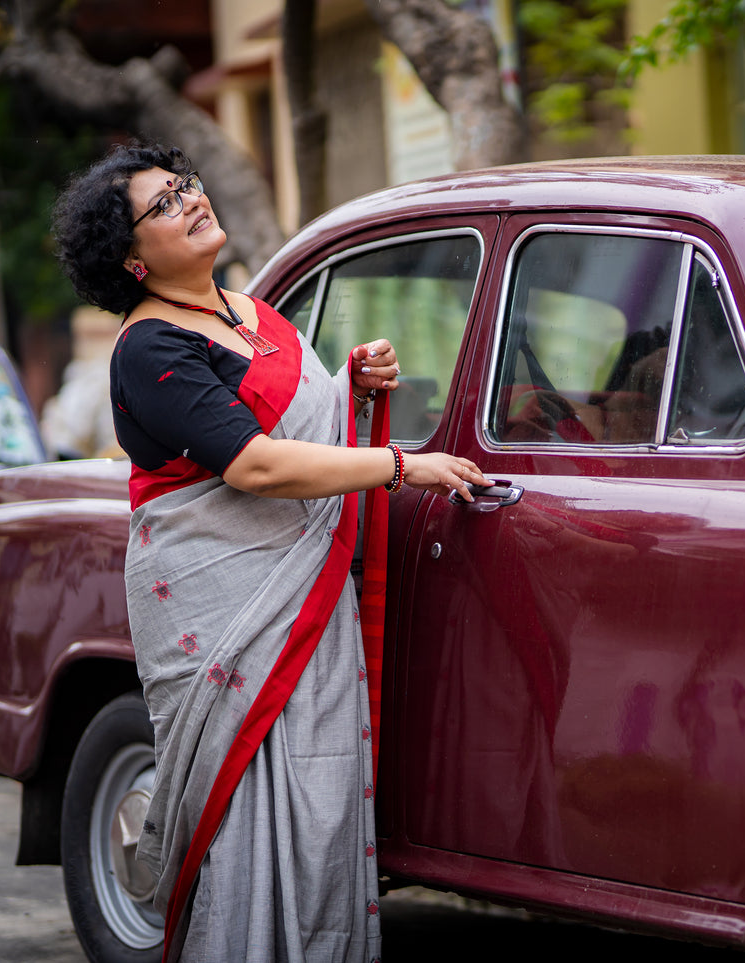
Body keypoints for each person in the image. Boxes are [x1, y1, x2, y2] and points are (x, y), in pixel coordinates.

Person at [51, 142, 487, 963]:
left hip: (304, 607)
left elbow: (299, 421)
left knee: (320, 796)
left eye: (185, 185)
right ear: (133, 261)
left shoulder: (255, 314)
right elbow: (253, 463)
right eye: (163, 203)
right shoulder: (149, 348)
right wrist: (400, 467)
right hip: (228, 612)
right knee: (244, 804)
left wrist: (350, 387)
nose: (190, 199)